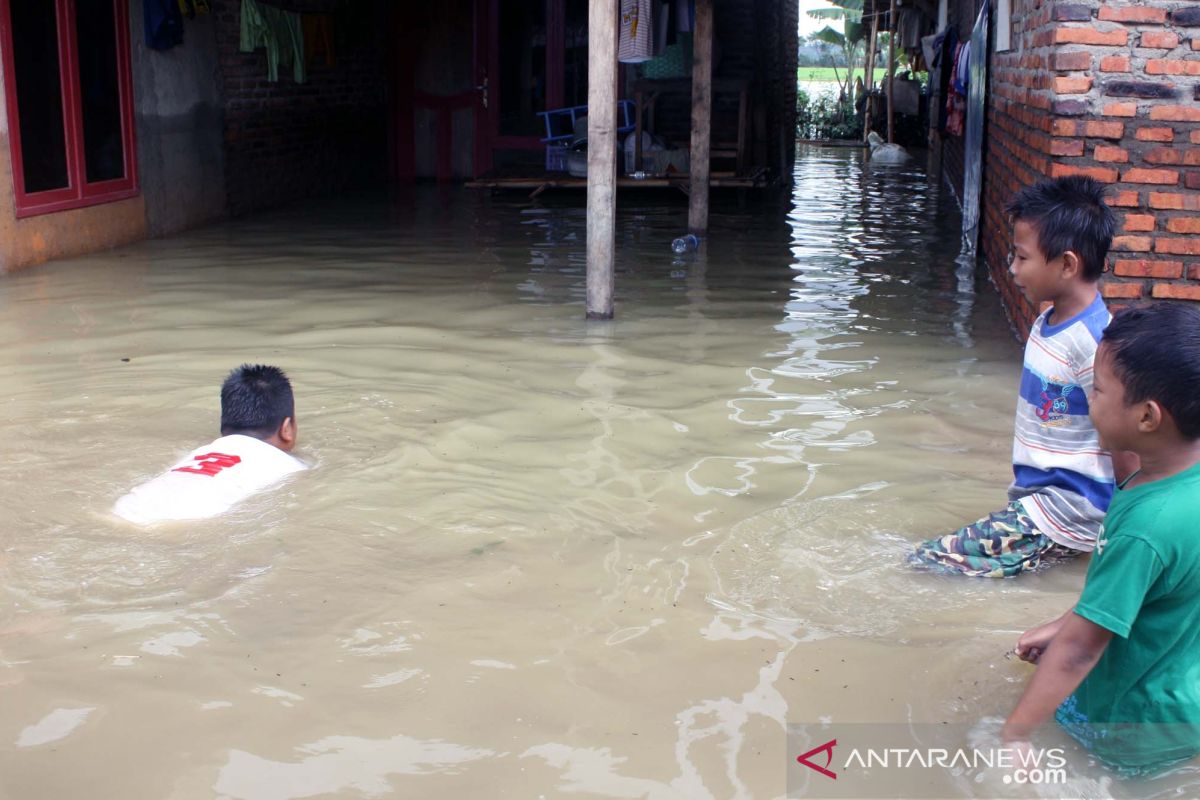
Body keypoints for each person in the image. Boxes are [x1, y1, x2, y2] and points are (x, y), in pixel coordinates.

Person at [1003, 303, 1200, 776]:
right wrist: (1064, 623)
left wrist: (1015, 732)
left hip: (1132, 720)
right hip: (1182, 700)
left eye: (1097, 390)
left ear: (1148, 417)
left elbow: (1080, 651)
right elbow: (1150, 591)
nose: (1088, 401)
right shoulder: (1178, 485)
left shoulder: (1145, 527)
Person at [911, 176, 1134, 577]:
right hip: (1039, 504)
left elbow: (1126, 442)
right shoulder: (1048, 322)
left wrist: (1124, 529)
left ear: (1067, 264)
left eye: (1022, 257)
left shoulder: (1095, 345)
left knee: (927, 562)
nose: (1012, 269)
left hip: (1067, 510)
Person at [114, 365, 307, 525]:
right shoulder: (292, 467)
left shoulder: (198, 454)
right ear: (287, 428)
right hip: (193, 520)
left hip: (125, 508)